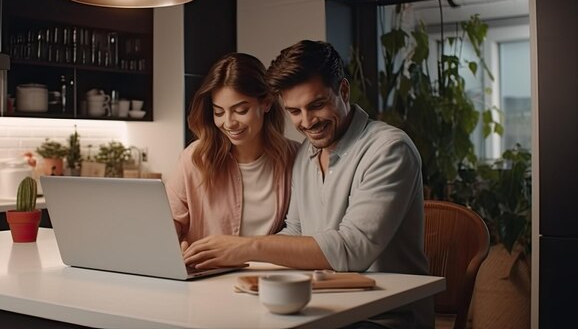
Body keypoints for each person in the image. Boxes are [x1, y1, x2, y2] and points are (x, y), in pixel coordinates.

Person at [183, 41, 432, 328]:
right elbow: (296, 231)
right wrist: (233, 260)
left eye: (316, 105)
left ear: (344, 91)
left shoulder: (389, 149)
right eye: (294, 111)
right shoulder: (306, 152)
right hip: (324, 310)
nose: (307, 121)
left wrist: (245, 247)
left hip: (383, 318)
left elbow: (354, 248)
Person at [166, 52, 299, 245]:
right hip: (209, 274)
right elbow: (166, 224)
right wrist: (177, 246)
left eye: (240, 110)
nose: (229, 123)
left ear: (266, 102)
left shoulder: (295, 158)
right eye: (218, 112)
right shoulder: (194, 158)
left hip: (269, 273)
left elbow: (302, 230)